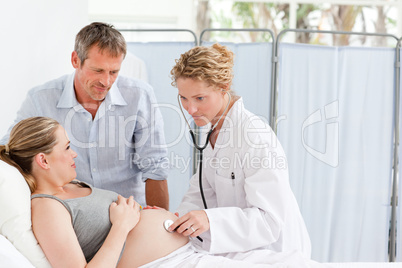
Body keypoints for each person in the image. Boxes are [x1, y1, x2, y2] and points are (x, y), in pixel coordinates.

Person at [0, 117, 322, 268]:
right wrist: (124, 225)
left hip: (189, 251)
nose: (74, 154)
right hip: (169, 263)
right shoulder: (46, 208)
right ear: (42, 160)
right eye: (67, 148)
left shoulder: (73, 186)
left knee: (289, 262)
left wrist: (138, 213)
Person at [0, 22, 169, 209]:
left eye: (114, 72)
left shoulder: (140, 95)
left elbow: (155, 166)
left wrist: (159, 221)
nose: (106, 81)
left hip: (129, 211)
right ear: (75, 60)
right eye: (98, 71)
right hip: (72, 213)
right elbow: (11, 152)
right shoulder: (40, 99)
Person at [168, 43, 312, 258]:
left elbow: (269, 220)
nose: (190, 109)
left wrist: (209, 220)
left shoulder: (254, 136)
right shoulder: (212, 130)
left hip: (275, 252)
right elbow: (203, 192)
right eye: (183, 98)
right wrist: (175, 219)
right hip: (239, 251)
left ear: (223, 88)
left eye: (199, 98)